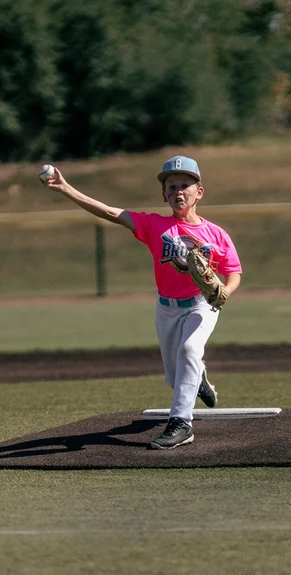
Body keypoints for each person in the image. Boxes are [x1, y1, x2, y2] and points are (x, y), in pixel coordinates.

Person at [42, 156, 242, 450]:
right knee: (177, 379)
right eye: (171, 186)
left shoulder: (215, 234)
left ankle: (181, 424)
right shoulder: (155, 225)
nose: (178, 191)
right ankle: (198, 376)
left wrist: (225, 291)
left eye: (185, 185)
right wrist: (66, 188)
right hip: (167, 309)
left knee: (189, 349)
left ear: (199, 192)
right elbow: (111, 212)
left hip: (202, 304)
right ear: (164, 194)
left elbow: (234, 272)